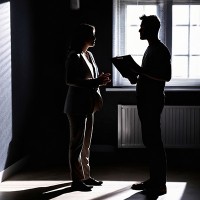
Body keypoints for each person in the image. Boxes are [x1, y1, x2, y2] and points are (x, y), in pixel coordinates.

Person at [126, 15, 171, 197]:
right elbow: (149, 75)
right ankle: (154, 180)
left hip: (152, 101)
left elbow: (165, 77)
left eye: (142, 27)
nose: (139, 30)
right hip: (145, 100)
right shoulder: (150, 49)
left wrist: (141, 71)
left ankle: (160, 184)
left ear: (152, 29)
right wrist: (134, 76)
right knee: (150, 141)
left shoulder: (160, 50)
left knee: (155, 142)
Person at [63, 23, 111, 191]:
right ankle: (76, 180)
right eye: (92, 35)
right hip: (76, 106)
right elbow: (70, 80)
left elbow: (91, 78)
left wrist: (100, 80)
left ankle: (86, 176)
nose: (95, 38)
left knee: (85, 144)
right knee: (76, 144)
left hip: (89, 105)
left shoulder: (89, 55)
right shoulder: (73, 56)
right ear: (83, 37)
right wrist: (96, 82)